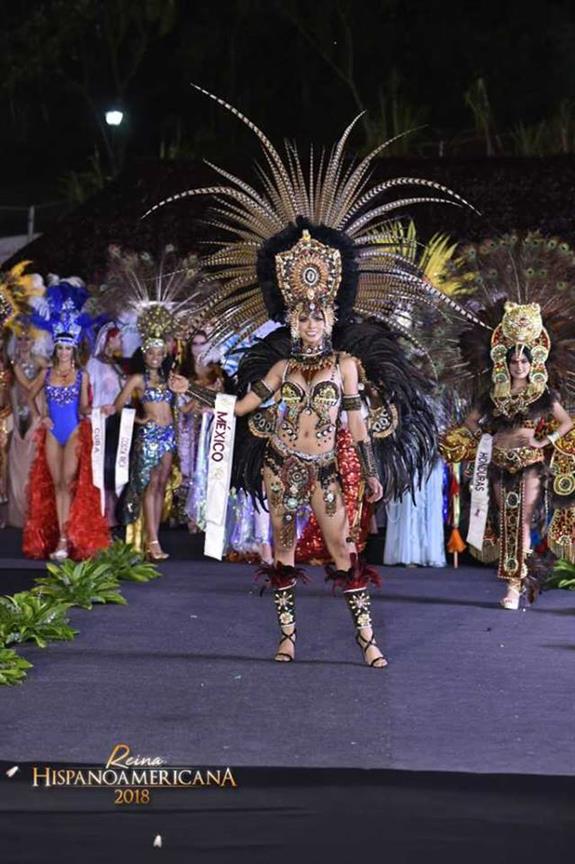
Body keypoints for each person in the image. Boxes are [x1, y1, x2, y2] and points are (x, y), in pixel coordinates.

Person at [154, 87, 476, 667]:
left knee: (342, 551)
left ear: (332, 314)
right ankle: (286, 636)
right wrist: (193, 393)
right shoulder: (279, 367)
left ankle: (367, 639)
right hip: (282, 465)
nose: (307, 319)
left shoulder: (347, 366)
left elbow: (354, 426)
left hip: (328, 467)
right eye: (299, 312)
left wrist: (372, 475)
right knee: (280, 549)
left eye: (316, 311)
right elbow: (241, 406)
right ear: (290, 315)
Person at [439, 235, 575, 609]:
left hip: (530, 465)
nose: (519, 365)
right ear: (505, 361)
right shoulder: (492, 394)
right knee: (504, 521)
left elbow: (565, 423)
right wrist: (472, 440)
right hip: (497, 464)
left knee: (522, 521)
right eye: (514, 361)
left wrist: (542, 444)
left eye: (524, 361)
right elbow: (470, 422)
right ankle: (514, 582)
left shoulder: (545, 395)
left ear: (535, 361)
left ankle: (515, 587)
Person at [23, 279, 110, 560]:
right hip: (52, 432)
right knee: (57, 484)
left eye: (67, 348)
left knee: (69, 483)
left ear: (74, 350)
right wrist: (40, 416)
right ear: (55, 349)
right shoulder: (47, 373)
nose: (63, 352)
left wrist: (97, 411)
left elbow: (83, 406)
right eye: (60, 348)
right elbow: (29, 395)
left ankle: (68, 536)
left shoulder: (82, 376)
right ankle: (61, 538)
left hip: (72, 431)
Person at [7, 328, 48, 527]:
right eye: (20, 339)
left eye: (27, 339)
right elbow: (27, 386)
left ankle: (36, 514)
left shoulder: (41, 361)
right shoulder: (13, 363)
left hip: (36, 416)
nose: (23, 342)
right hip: (18, 417)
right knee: (17, 464)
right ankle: (18, 515)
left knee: (35, 463)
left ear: (34, 342)